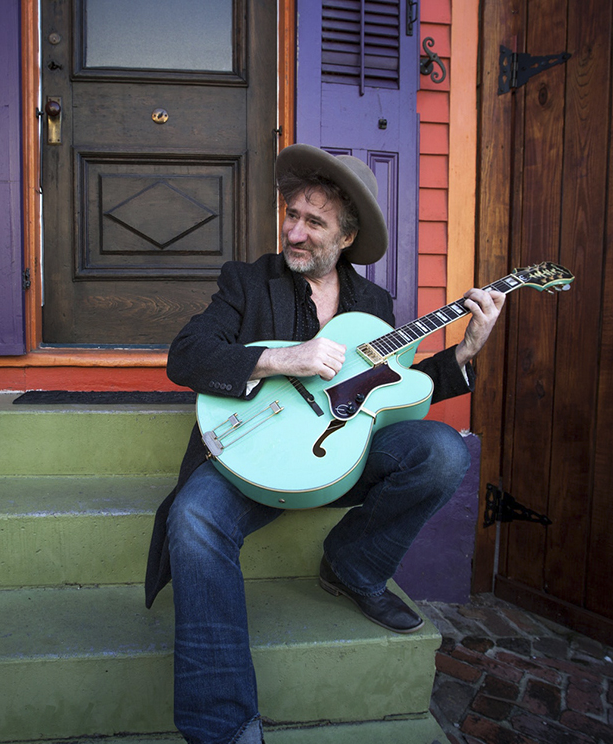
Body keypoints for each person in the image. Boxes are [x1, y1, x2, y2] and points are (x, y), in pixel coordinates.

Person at [144, 144, 506, 744]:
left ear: (347, 237)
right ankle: (225, 728)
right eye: (291, 215)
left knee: (444, 451)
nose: (295, 231)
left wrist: (466, 352)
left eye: (315, 222)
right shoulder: (247, 281)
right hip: (250, 457)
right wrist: (286, 357)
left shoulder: (374, 307)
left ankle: (352, 566)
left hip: (339, 452)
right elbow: (185, 357)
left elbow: (393, 391)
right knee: (194, 519)